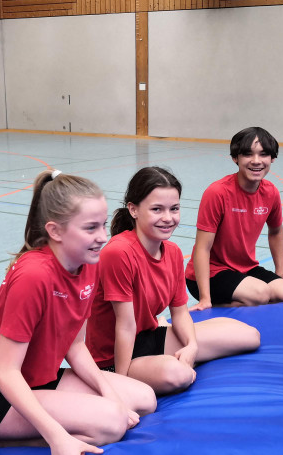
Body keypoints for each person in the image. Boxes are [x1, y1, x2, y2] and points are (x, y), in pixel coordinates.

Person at [0, 170, 156, 455]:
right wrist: (56, 437)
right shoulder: (33, 275)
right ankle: (2, 441)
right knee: (111, 425)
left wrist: (111, 393)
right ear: (55, 231)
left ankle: (75, 416)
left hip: (40, 379)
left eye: (103, 225)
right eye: (90, 228)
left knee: (144, 399)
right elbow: (5, 373)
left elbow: (75, 346)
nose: (103, 237)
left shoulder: (88, 263)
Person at [86, 167, 261, 395]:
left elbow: (179, 312)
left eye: (174, 209)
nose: (168, 218)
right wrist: (121, 381)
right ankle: (148, 363)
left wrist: (191, 346)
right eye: (157, 209)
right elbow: (126, 326)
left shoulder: (173, 252)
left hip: (148, 337)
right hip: (114, 356)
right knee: (178, 374)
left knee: (248, 336)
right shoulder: (119, 252)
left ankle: (166, 342)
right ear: (133, 209)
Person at [186, 126, 283, 309]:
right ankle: (217, 306)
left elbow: (276, 232)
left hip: (245, 268)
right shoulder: (217, 192)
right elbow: (202, 248)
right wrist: (205, 298)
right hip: (211, 272)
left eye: (263, 154)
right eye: (248, 154)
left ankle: (241, 302)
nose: (256, 161)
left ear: (272, 158)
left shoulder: (271, 192)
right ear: (235, 158)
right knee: (261, 294)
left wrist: (280, 274)